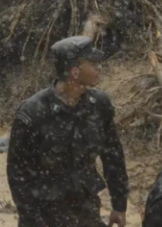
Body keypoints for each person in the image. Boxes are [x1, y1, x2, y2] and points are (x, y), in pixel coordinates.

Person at [7, 36, 128, 227]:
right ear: (75, 72)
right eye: (93, 63)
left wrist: (119, 204)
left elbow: (113, 155)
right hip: (43, 213)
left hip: (85, 209)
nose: (99, 67)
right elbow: (18, 174)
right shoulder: (33, 113)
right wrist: (32, 219)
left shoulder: (99, 105)